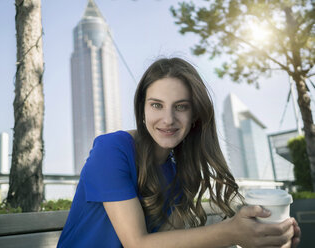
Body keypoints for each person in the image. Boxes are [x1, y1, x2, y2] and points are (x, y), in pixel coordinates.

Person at [57, 57, 301, 248]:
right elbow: (138, 243)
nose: (168, 119)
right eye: (156, 105)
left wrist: (257, 238)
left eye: (181, 107)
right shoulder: (111, 149)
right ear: (141, 109)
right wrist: (231, 233)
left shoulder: (180, 172)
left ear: (194, 115)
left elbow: (167, 243)